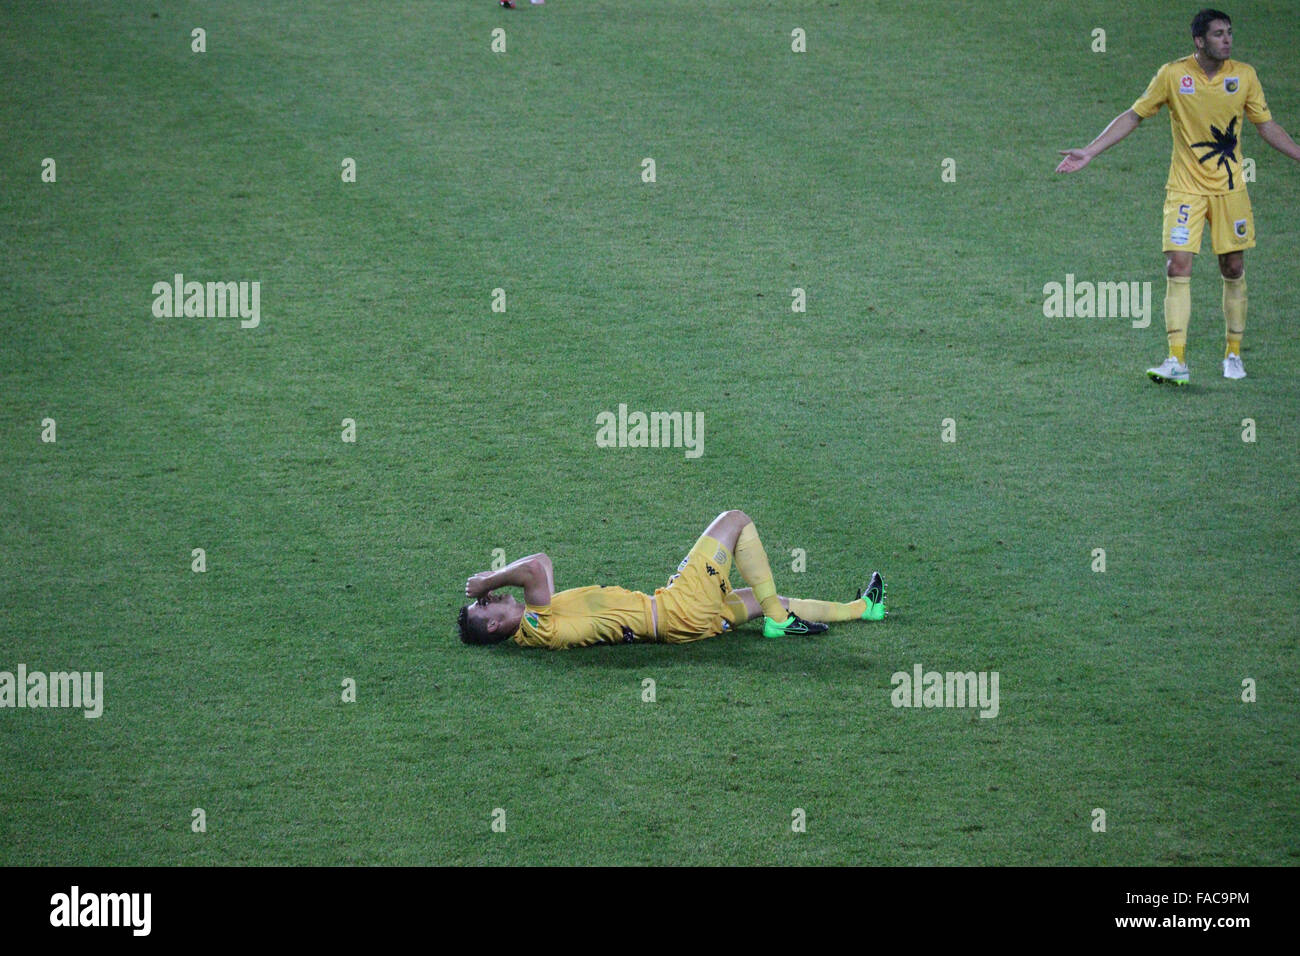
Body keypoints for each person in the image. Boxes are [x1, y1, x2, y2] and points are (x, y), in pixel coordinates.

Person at [1056, 8, 1300, 385]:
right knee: (1177, 266)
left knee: (1232, 268)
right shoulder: (1173, 75)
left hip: (1230, 189)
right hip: (1185, 188)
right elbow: (1134, 115)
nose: (1228, 39)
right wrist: (1090, 150)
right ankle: (1176, 359)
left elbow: (1266, 126)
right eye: (1219, 34)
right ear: (1199, 41)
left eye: (1230, 33)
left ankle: (1232, 354)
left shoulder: (1245, 76)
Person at [458, 509, 886, 649]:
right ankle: (778, 620)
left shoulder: (536, 618)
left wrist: (495, 585)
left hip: (685, 621)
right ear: (495, 625)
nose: (489, 597)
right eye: (485, 605)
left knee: (758, 597)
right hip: (678, 608)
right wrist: (489, 579)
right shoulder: (535, 626)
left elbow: (543, 564)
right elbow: (533, 567)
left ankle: (865, 608)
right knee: (734, 520)